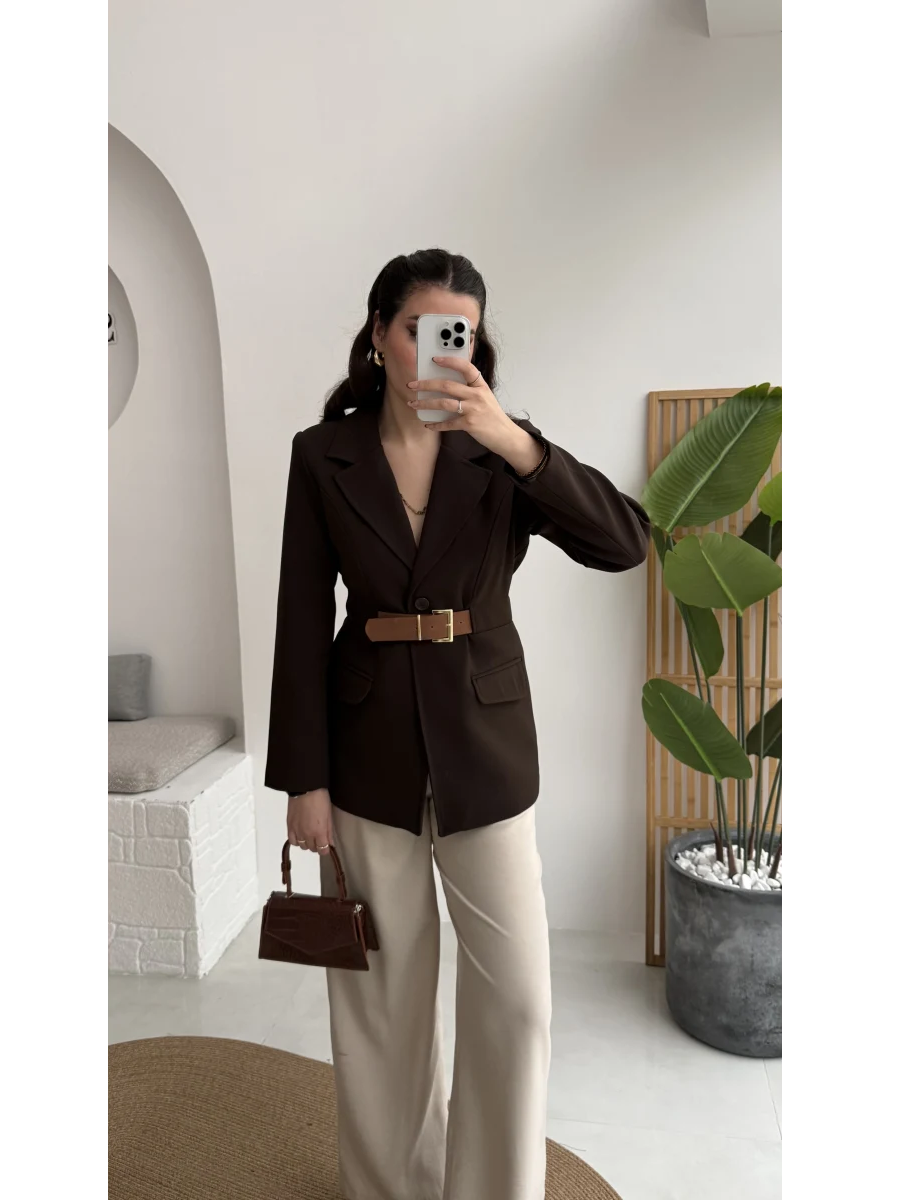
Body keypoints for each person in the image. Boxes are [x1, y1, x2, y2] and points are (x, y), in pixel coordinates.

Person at [265, 248, 650, 1200]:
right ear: (379, 334)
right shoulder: (324, 454)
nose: (442, 348)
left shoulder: (503, 451)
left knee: (518, 1001)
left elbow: (625, 543)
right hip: (366, 757)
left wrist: (515, 441)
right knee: (382, 1004)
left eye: (461, 334)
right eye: (421, 329)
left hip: (486, 753)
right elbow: (300, 621)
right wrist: (304, 782)